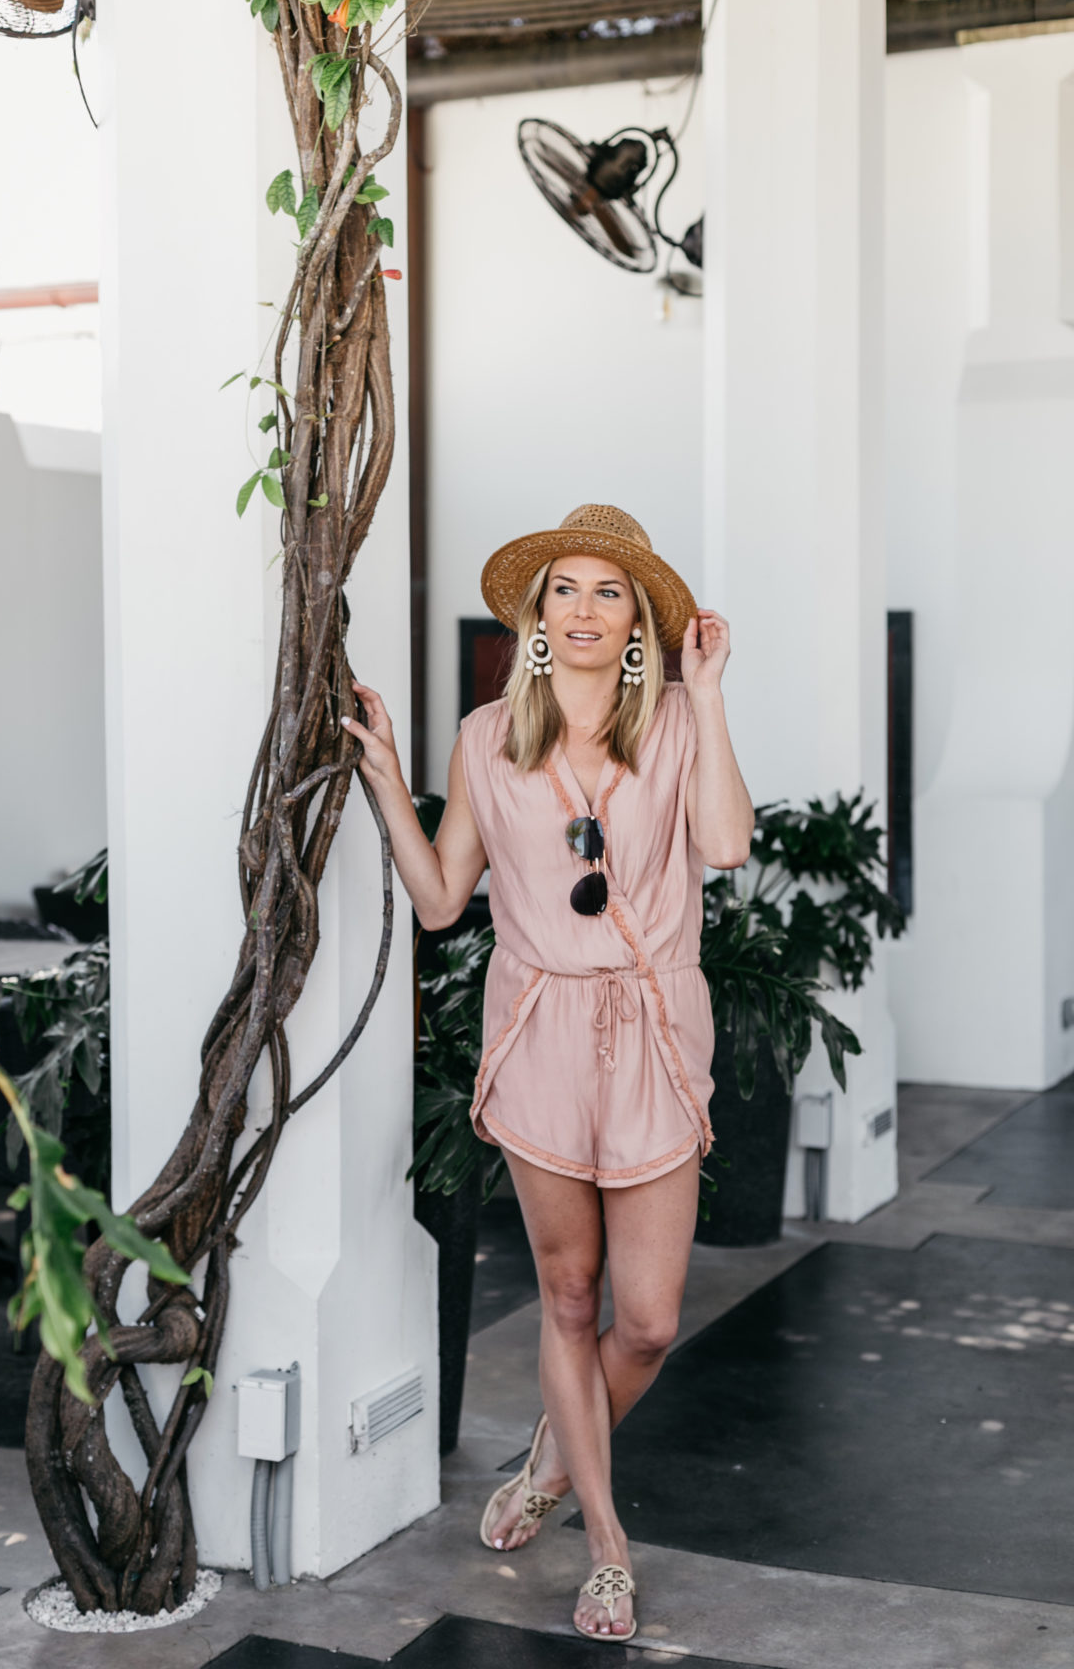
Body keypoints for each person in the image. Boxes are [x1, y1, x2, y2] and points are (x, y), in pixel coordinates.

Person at [340, 503, 753, 1645]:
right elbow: (440, 901)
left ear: (637, 625)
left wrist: (710, 693)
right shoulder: (488, 738)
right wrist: (387, 778)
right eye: (563, 589)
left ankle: (553, 1459)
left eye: (608, 592)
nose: (582, 609)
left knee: (649, 1320)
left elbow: (725, 845)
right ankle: (607, 1548)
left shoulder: (677, 721)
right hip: (538, 1032)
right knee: (569, 1298)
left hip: (653, 1030)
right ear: (534, 615)